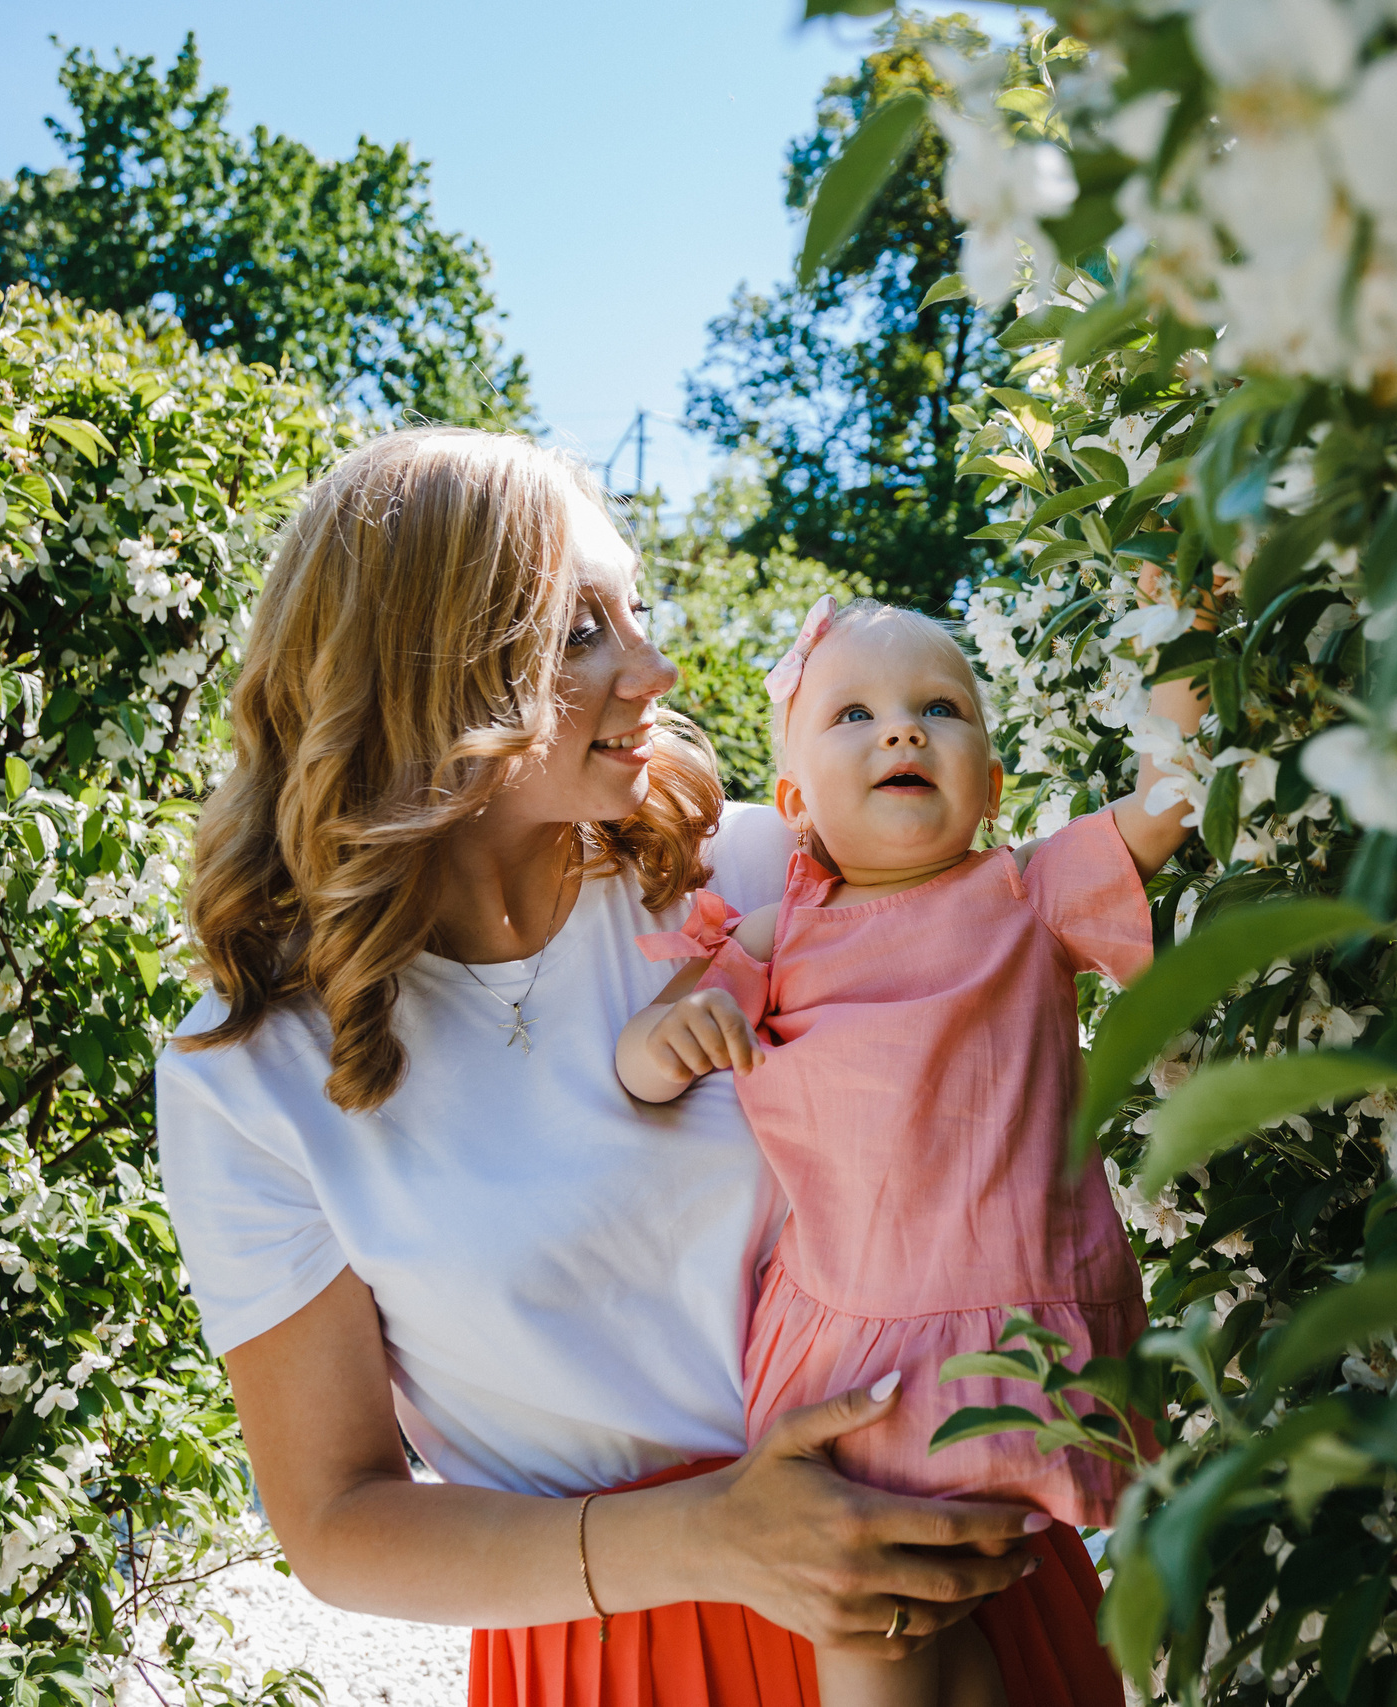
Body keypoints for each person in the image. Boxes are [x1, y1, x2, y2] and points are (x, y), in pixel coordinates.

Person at [156, 429, 1105, 1707]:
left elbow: (1030, 983)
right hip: (624, 1649)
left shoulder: (781, 878)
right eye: (579, 633)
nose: (654, 669)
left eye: (639, 612)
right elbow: (335, 1522)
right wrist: (717, 1539)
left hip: (945, 1596)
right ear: (424, 672)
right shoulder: (250, 1068)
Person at [617, 597, 1205, 1707]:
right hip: (855, 1365)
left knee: (897, 1627)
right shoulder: (777, 932)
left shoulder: (1027, 894)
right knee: (902, 1632)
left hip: (1016, 1341)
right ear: (795, 806)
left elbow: (1166, 804)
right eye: (854, 714)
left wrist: (1176, 628)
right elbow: (644, 1060)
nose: (901, 731)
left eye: (939, 708)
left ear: (988, 788)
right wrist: (669, 1038)